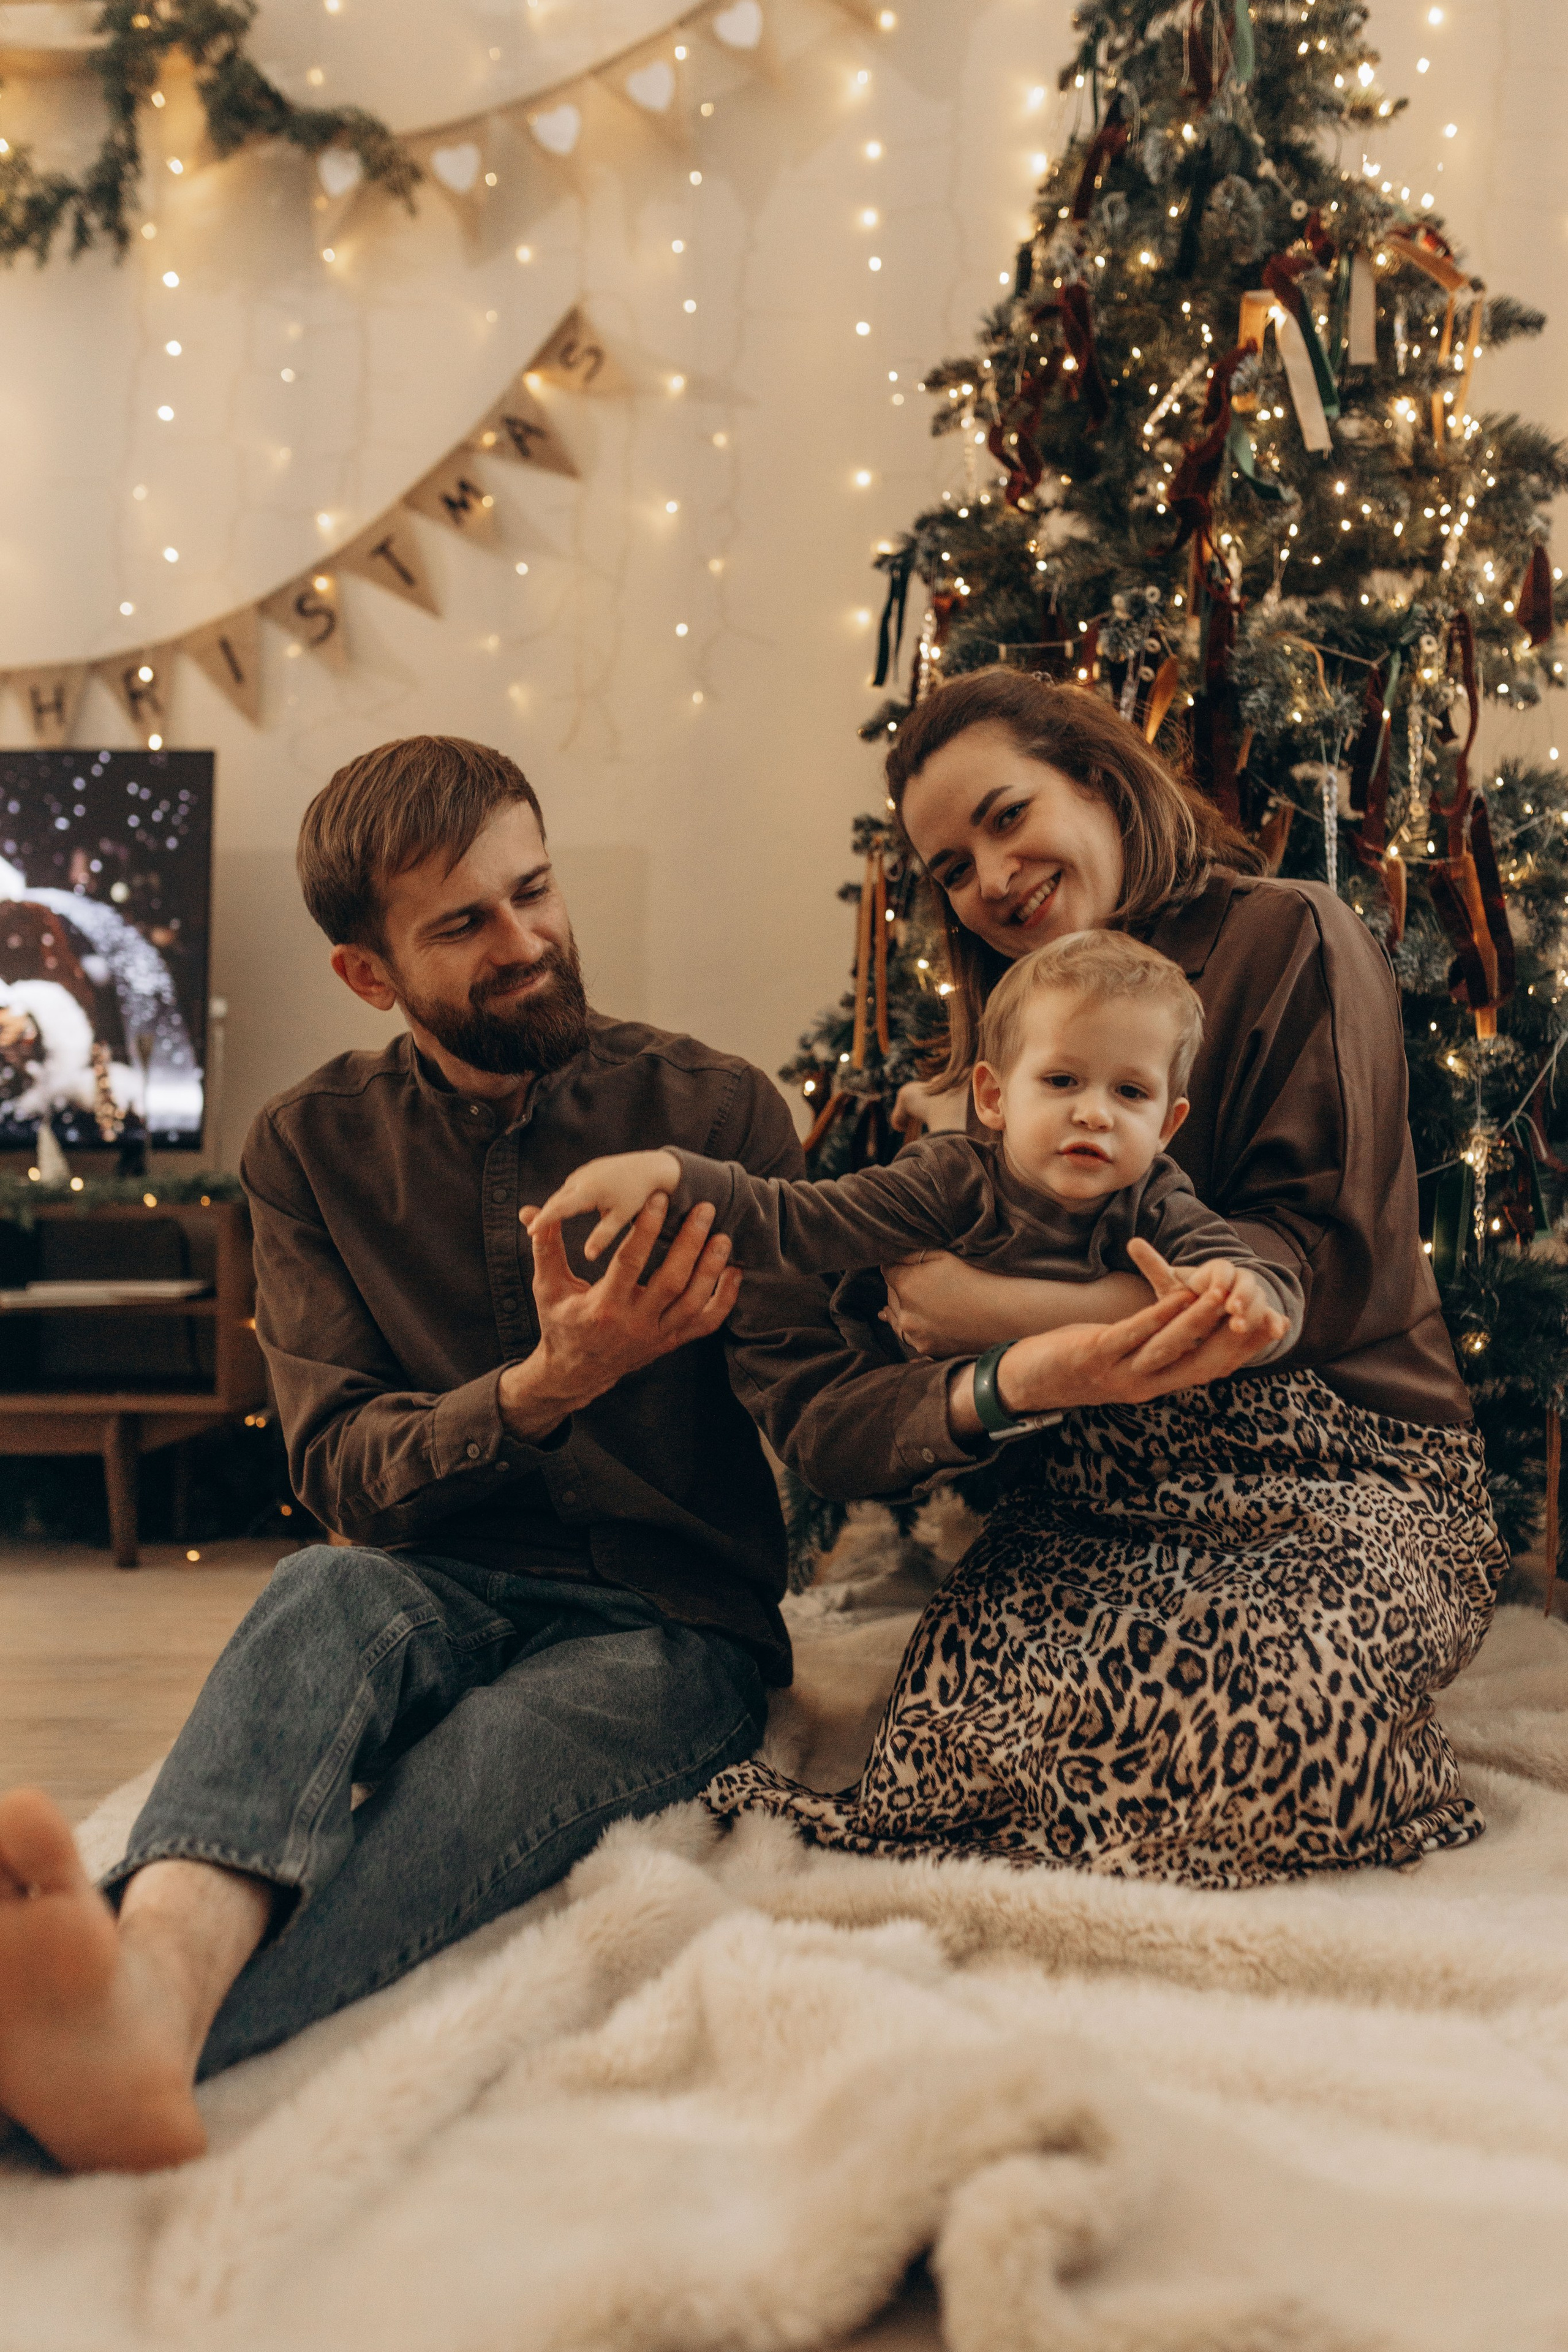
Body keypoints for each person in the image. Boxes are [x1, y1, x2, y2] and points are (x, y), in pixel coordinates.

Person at [0, 729, 1305, 2177]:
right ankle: (135, 1994)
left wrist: (1008, 1381)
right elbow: (341, 1474)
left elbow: (824, 1424)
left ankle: (138, 2034)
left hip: (666, 1624)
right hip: (434, 1577)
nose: (525, 940)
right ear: (369, 974)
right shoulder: (306, 1148)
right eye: (464, 924)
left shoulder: (711, 1114)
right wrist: (546, 1384)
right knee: (314, 1593)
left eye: (533, 890)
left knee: (489, 1761)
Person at [697, 670, 1507, 1887]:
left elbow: (1306, 1277)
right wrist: (970, 1359)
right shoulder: (996, 1058)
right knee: (948, 1736)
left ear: (1096, 778)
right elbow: (847, 1359)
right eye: (952, 868)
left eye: (1007, 816)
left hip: (1343, 1464)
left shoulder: (1287, 935)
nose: (990, 877)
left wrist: (990, 1314)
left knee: (1288, 1724)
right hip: (1099, 1492)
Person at [526, 929, 1300, 1364]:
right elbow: (797, 1220)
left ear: (1166, 1125)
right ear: (992, 1097)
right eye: (1062, 1081)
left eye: (1129, 1093)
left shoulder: (1155, 1200)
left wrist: (1243, 1295)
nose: (1095, 1114)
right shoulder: (947, 1178)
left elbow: (1271, 1295)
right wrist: (668, 1172)